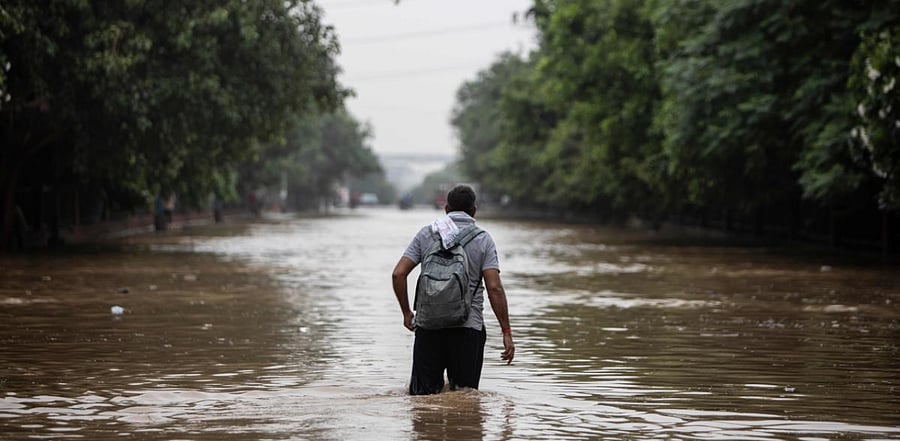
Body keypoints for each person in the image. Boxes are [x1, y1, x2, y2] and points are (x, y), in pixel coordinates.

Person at [391, 184, 515, 395]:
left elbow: (398, 274)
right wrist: (506, 331)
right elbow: (494, 288)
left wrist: (406, 313)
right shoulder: (483, 239)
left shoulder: (427, 234)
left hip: (428, 327)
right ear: (474, 210)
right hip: (468, 329)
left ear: (446, 209)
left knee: (423, 400)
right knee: (464, 400)